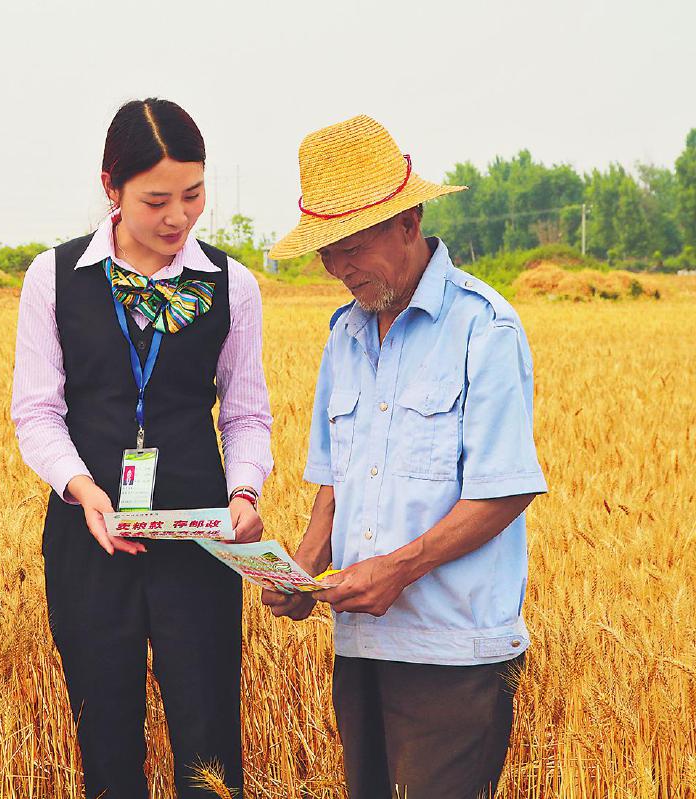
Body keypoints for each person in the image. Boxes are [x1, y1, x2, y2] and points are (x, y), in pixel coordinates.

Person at [262, 115, 548, 798]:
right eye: (327, 254)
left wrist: (399, 568)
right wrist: (302, 567)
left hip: (452, 653)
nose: (340, 269)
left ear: (409, 222)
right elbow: (334, 482)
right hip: (360, 647)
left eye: (352, 247)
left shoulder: (484, 328)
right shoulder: (344, 336)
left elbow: (504, 490)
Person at [11, 98, 273, 798]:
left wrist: (244, 491)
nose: (178, 217)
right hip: (89, 535)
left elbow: (246, 413)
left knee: (209, 738)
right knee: (105, 735)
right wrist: (83, 489)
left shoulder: (232, 285)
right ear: (111, 187)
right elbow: (36, 412)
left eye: (194, 194)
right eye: (157, 200)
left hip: (199, 536)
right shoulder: (54, 277)